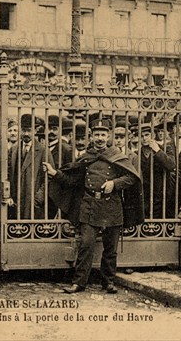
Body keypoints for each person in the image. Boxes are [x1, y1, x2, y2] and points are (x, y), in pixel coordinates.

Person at [43, 119, 143, 294]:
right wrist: (55, 173)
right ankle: (79, 283)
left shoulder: (117, 155)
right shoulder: (86, 157)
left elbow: (132, 178)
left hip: (112, 206)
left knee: (110, 248)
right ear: (91, 136)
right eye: (96, 135)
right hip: (89, 206)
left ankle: (108, 282)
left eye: (103, 135)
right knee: (86, 245)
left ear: (108, 136)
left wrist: (114, 183)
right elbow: (71, 180)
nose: (100, 138)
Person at [7, 114, 53, 219]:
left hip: (32, 202)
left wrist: (38, 198)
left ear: (35, 131)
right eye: (24, 130)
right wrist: (9, 195)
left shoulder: (43, 150)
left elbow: (49, 177)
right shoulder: (14, 149)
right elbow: (8, 173)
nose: (26, 134)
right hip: (15, 200)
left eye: (29, 130)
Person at [138, 123, 176, 219]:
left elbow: (171, 165)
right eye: (141, 136)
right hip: (145, 192)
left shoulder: (165, 149)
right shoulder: (137, 153)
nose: (144, 138)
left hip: (161, 192)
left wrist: (157, 150)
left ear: (153, 136)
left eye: (147, 135)